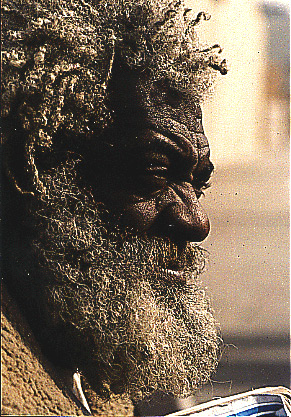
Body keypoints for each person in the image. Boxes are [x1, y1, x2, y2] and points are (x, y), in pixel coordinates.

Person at [1, 0, 227, 413]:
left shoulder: (101, 351)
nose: (197, 222)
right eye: (154, 172)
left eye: (197, 182)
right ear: (32, 170)